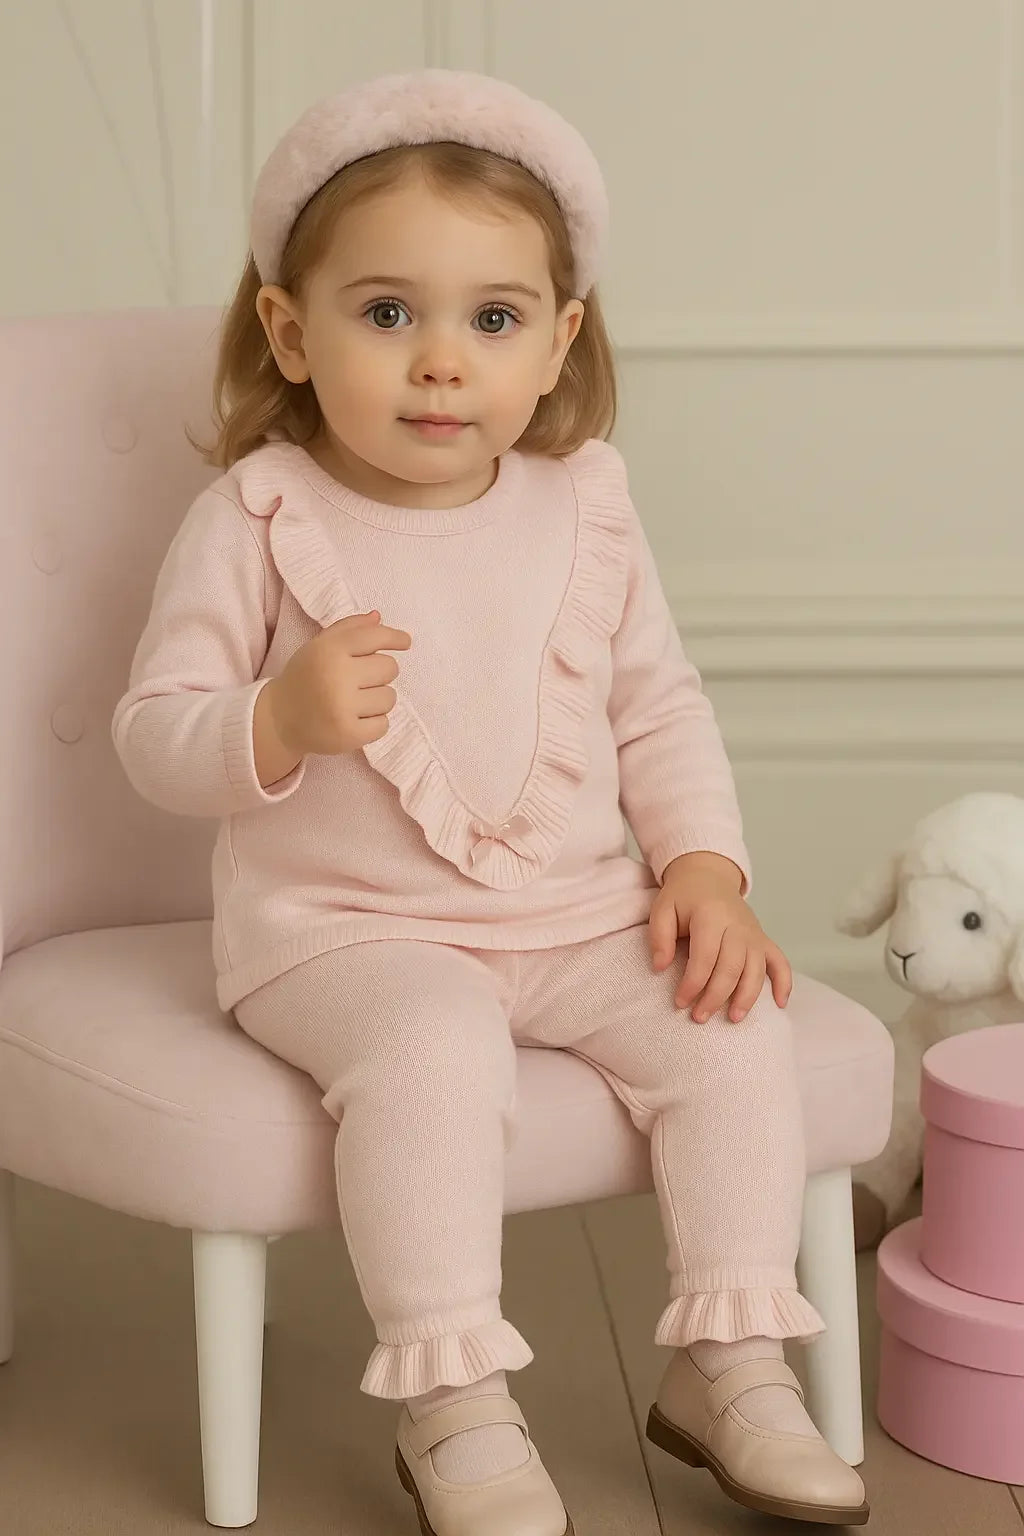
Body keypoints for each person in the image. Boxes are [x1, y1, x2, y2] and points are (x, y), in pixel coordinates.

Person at [113, 69, 868, 1535]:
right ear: (291, 328)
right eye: (388, 313)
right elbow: (153, 733)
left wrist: (704, 865)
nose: (441, 362)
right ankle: (451, 1400)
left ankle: (736, 1361)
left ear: (560, 338)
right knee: (438, 1050)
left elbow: (658, 702)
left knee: (730, 1027)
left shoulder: (584, 502)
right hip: (341, 931)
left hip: (575, 910)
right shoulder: (258, 517)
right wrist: (274, 717)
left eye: (495, 319)